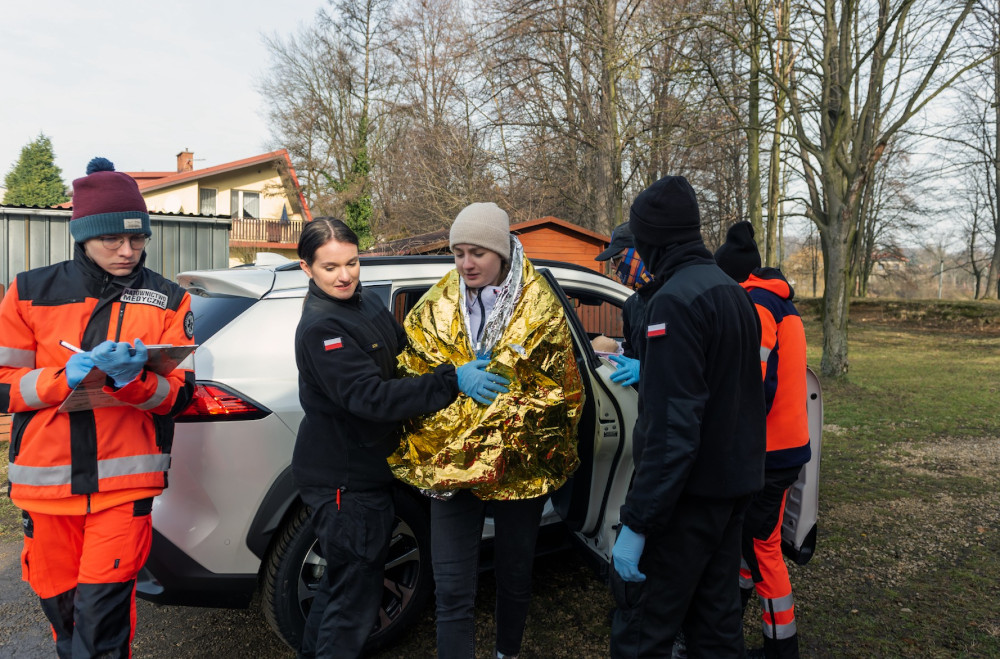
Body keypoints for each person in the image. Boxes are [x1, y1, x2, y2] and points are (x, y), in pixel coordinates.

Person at [0, 157, 196, 657]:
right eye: (113, 239)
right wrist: (58, 378)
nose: (128, 251)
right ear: (82, 235)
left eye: (138, 239)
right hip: (45, 491)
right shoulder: (28, 293)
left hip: (123, 491)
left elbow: (179, 397)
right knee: (67, 628)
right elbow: (2, 387)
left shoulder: (171, 300)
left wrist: (133, 382)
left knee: (102, 629)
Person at [291, 217, 507, 658]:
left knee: (341, 588)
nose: (345, 275)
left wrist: (455, 358)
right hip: (344, 485)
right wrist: (452, 381)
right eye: (330, 267)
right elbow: (369, 397)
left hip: (368, 475)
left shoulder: (364, 303)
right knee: (353, 604)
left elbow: (403, 358)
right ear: (306, 269)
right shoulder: (322, 328)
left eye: (351, 263)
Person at [388, 202, 584, 659]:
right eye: (458, 253)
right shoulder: (435, 306)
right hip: (450, 464)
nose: (466, 264)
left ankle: (506, 654)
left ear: (502, 252)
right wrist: (455, 375)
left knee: (515, 577)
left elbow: (560, 387)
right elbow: (411, 372)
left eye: (477, 252)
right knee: (453, 589)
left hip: (520, 463)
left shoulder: (538, 304)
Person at [608, 175, 766, 658]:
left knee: (643, 633)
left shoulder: (674, 302)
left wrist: (638, 522)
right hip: (731, 493)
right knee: (715, 629)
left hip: (686, 503)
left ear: (651, 239)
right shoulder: (730, 291)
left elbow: (672, 431)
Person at [714, 221, 811, 659]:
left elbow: (755, 384)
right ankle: (730, 616)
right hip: (787, 446)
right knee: (749, 540)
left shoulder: (755, 305)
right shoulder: (782, 303)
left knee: (761, 545)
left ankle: (781, 647)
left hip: (769, 452)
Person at [593, 221, 652, 387]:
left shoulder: (670, 297)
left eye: (617, 258)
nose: (612, 266)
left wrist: (646, 370)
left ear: (638, 255)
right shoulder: (632, 304)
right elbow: (630, 351)